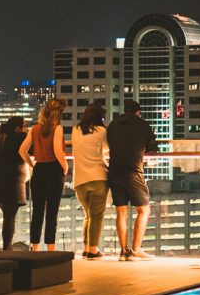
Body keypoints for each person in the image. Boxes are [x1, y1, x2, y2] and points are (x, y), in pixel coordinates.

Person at [106, 99, 159, 261]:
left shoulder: (113, 124)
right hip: (133, 171)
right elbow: (152, 147)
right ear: (138, 112)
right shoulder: (142, 125)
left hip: (114, 171)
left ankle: (124, 252)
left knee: (121, 212)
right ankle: (136, 249)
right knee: (144, 210)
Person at [19, 99, 69, 251]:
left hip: (39, 170)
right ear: (58, 114)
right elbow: (57, 150)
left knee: (37, 211)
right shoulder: (57, 128)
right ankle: (51, 248)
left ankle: (35, 247)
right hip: (54, 170)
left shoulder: (34, 129)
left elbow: (22, 151)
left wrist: (33, 164)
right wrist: (65, 167)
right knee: (52, 212)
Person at [71, 103, 110, 259]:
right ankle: (93, 250)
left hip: (79, 179)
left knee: (88, 215)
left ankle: (86, 248)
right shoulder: (101, 131)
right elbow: (107, 149)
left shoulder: (75, 129)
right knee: (96, 216)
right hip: (98, 177)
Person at [0, 116, 29, 249]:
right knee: (10, 215)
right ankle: (7, 247)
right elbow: (33, 149)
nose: (26, 129)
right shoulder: (20, 137)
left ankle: (7, 246)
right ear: (18, 128)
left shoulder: (0, 137)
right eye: (24, 126)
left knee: (7, 213)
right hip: (13, 179)